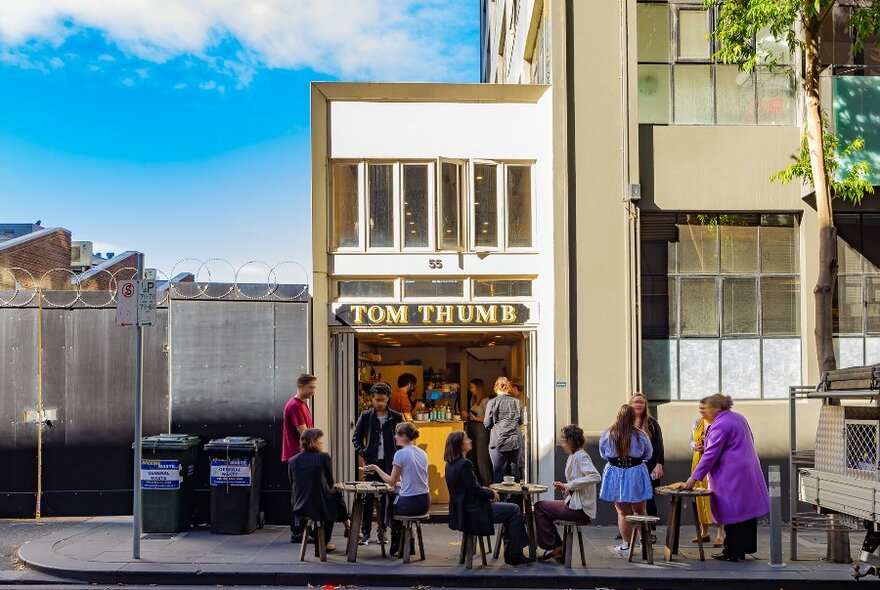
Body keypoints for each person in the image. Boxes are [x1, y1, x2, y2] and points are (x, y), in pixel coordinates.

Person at [684, 394, 769, 562]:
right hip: (747, 469)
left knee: (733, 510)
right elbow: (751, 438)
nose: (703, 413)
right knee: (746, 510)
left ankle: (732, 551)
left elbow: (710, 455)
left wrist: (694, 477)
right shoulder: (738, 418)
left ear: (716, 408)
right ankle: (745, 548)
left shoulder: (720, 425)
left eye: (706, 409)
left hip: (731, 474)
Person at [444, 431, 533, 566]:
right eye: (467, 438)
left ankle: (513, 552)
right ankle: (514, 554)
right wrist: (491, 494)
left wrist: (488, 492)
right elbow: (475, 490)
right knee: (514, 509)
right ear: (460, 444)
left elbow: (470, 488)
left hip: (462, 511)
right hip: (473, 511)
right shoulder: (464, 464)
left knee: (509, 510)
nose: (470, 440)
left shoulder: (450, 464)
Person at [361, 422, 430, 556]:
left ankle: (396, 538)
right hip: (425, 502)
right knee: (394, 493)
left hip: (410, 504)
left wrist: (376, 468)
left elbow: (391, 481)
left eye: (396, 434)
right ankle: (408, 541)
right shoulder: (422, 453)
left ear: (403, 436)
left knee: (390, 495)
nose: (394, 437)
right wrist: (399, 485)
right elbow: (411, 480)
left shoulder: (401, 454)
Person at [534, 425, 601, 562]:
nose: (562, 442)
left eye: (564, 439)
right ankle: (557, 548)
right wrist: (565, 488)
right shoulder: (573, 456)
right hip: (574, 504)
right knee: (543, 509)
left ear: (571, 440)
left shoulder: (581, 456)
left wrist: (569, 485)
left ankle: (554, 548)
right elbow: (578, 482)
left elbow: (595, 476)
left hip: (580, 509)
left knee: (540, 506)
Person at [352, 382, 404, 546]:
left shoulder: (396, 417)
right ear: (372, 399)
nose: (379, 403)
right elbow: (356, 438)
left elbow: (403, 438)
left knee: (388, 498)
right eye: (376, 400)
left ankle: (383, 532)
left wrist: (400, 456)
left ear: (388, 398)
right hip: (371, 462)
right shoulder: (366, 416)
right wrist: (364, 452)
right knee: (367, 498)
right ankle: (365, 532)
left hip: (390, 463)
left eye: (382, 400)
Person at [599, 404, 653, 553]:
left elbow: (603, 454)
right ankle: (643, 543)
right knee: (640, 511)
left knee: (622, 512)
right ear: (632, 418)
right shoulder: (641, 435)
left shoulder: (607, 434)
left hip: (615, 473)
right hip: (635, 472)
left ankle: (626, 545)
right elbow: (648, 455)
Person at [289, 429, 345, 553]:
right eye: (320, 439)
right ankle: (325, 542)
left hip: (300, 507)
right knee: (335, 496)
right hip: (320, 507)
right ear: (314, 441)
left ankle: (340, 528)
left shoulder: (292, 461)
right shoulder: (324, 457)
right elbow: (330, 482)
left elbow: (293, 485)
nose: (322, 442)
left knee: (333, 498)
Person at [283, 373, 316, 543]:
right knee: (298, 495)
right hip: (296, 456)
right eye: (311, 387)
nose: (313, 391)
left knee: (302, 494)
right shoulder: (295, 406)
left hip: (300, 456)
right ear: (301, 386)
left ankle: (303, 531)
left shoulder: (302, 405)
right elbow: (304, 433)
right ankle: (297, 533)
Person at [630, 392, 664, 542]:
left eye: (641, 403)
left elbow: (659, 445)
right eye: (636, 402)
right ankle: (632, 530)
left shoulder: (651, 423)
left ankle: (651, 531)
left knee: (648, 499)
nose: (639, 405)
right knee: (629, 498)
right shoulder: (626, 423)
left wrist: (659, 464)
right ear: (630, 404)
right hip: (629, 469)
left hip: (648, 468)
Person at [690, 413, 725, 547]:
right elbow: (691, 440)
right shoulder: (697, 423)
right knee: (699, 498)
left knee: (716, 499)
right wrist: (694, 445)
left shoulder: (719, 423)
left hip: (714, 465)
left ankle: (720, 534)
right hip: (698, 463)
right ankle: (704, 532)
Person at [484, 376, 523, 483]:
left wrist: (496, 427)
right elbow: (521, 421)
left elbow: (487, 423)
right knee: (514, 473)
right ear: (509, 388)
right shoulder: (517, 402)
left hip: (498, 440)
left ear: (496, 388)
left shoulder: (492, 402)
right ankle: (515, 499)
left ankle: (500, 498)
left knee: (499, 473)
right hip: (515, 440)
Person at [463, 378, 493, 486]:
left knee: (482, 459)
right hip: (474, 431)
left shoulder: (486, 401)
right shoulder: (474, 400)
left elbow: (489, 418)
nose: (470, 389)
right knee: (474, 459)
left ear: (478, 388)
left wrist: (476, 418)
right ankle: (479, 485)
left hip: (481, 433)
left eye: (472, 387)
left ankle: (488, 485)